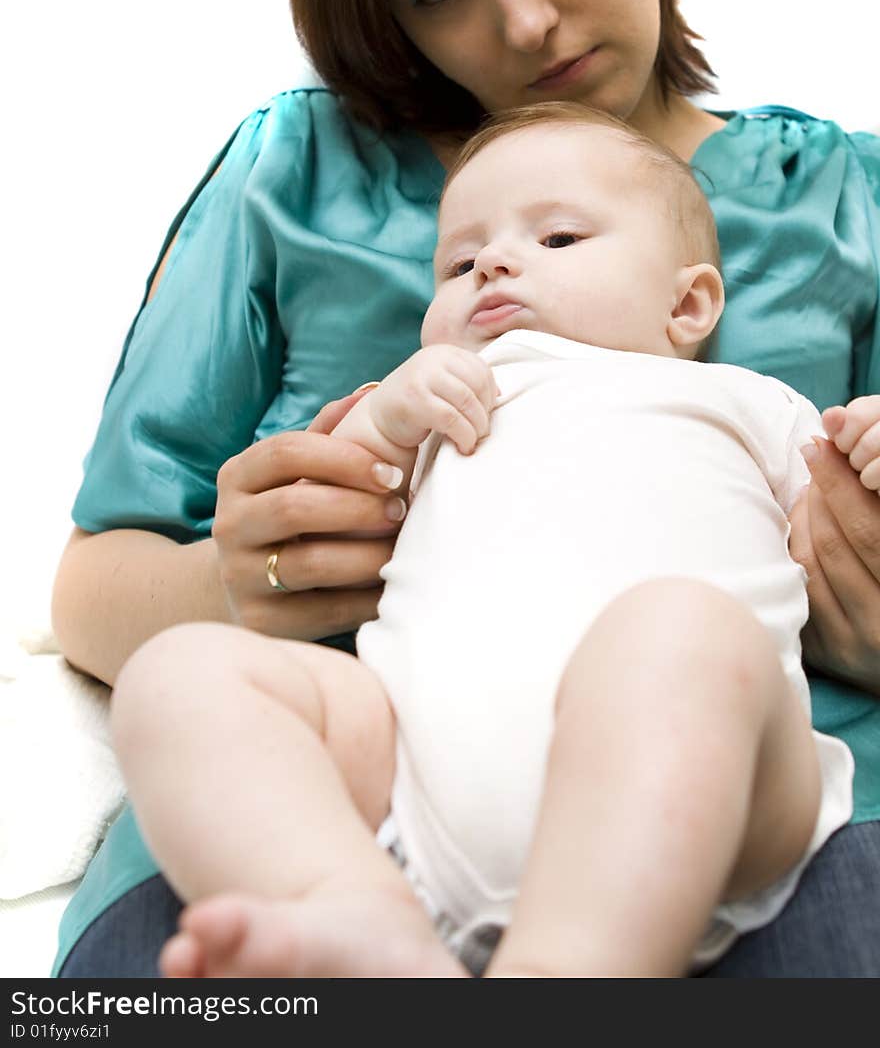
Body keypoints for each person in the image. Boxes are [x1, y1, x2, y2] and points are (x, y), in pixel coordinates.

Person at [51, 0, 880, 978]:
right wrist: (244, 583)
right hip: (337, 817)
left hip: (779, 852)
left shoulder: (849, 203)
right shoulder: (293, 175)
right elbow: (91, 586)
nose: (524, 19)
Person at [110, 105, 858, 978]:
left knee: (682, 629)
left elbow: (835, 533)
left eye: (561, 238)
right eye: (459, 263)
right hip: (417, 784)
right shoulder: (427, 399)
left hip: (702, 783)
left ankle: (568, 967)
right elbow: (335, 508)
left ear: (687, 304)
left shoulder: (748, 400)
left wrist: (868, 459)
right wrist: (383, 422)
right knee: (181, 674)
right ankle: (360, 917)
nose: (495, 263)